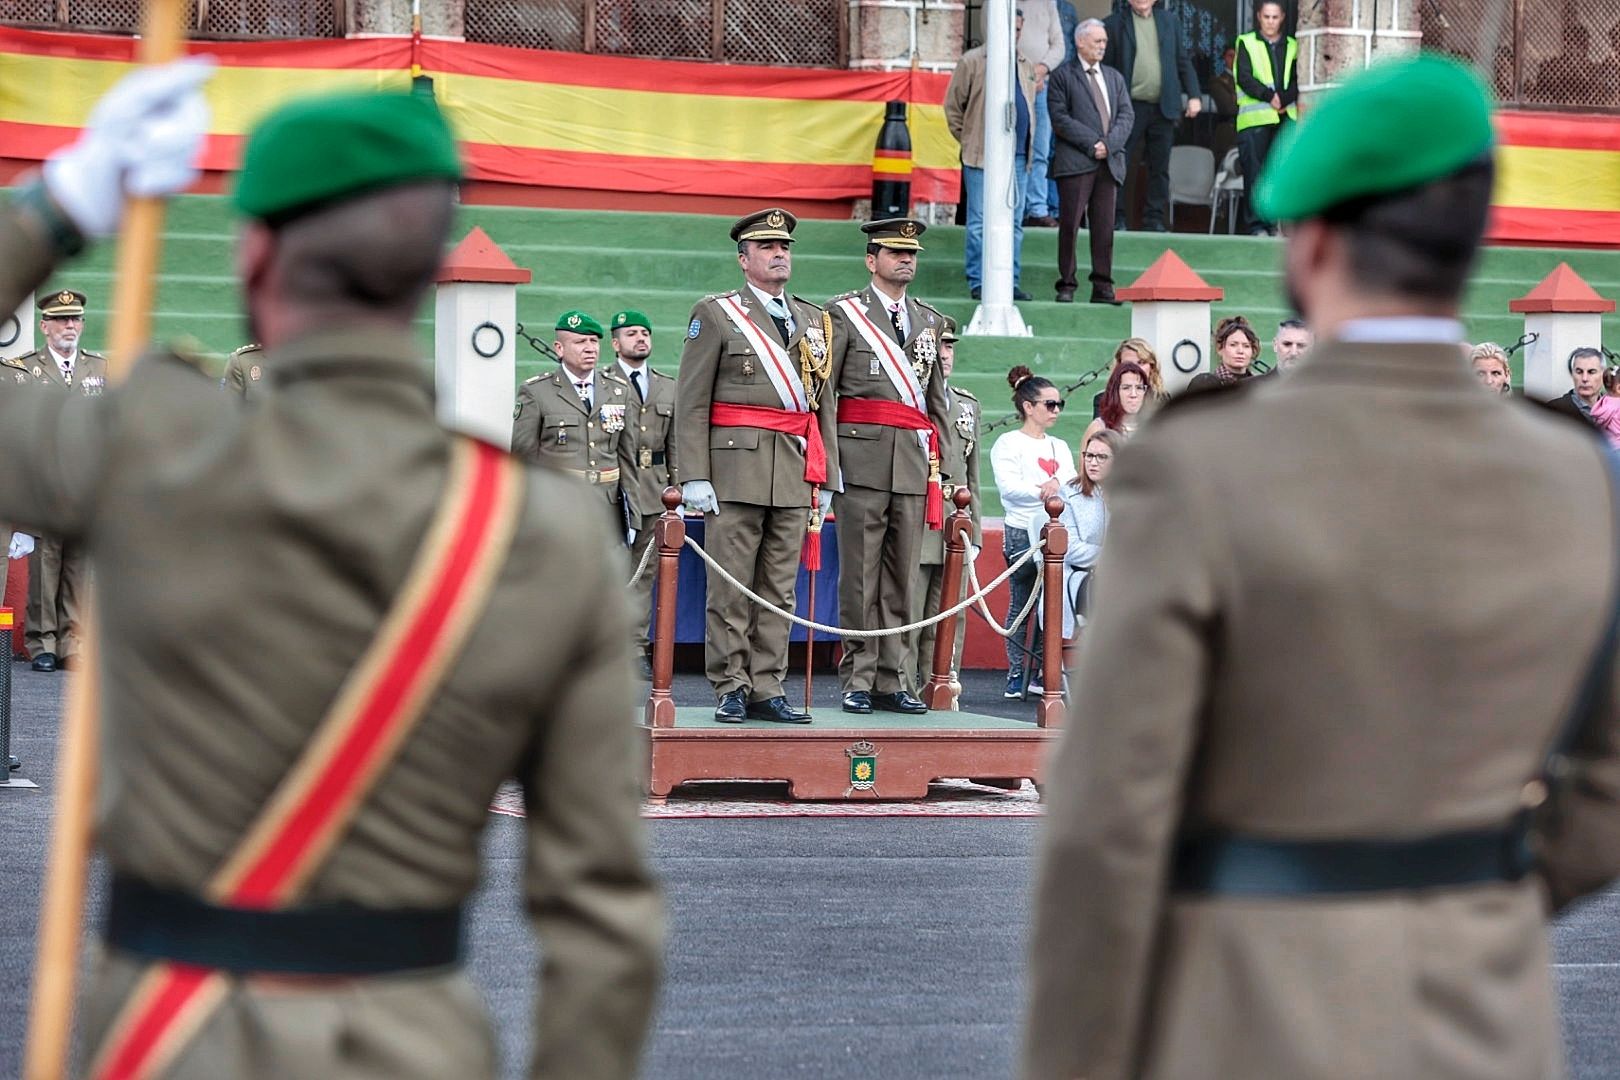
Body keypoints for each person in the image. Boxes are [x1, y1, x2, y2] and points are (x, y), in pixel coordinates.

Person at [2, 69, 662, 1078]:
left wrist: (63, 205)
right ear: (425, 270)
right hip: (411, 1047)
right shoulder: (545, 532)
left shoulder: (150, 447)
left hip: (173, 1040)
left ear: (256, 253)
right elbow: (604, 920)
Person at [1025, 54, 1620, 1080]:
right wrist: (1477, 887)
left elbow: (1107, 823)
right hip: (1490, 1020)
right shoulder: (1578, 477)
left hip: (1250, 1014)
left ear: (1314, 239)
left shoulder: (1203, 463)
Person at [674, 208, 836, 724]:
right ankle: (731, 685)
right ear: (744, 260)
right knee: (731, 584)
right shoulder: (718, 313)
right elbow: (692, 400)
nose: (779, 254)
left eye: (784, 246)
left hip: (792, 471)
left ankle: (769, 685)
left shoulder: (814, 320)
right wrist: (694, 474)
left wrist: (827, 474)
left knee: (778, 588)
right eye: (767, 247)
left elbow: (821, 404)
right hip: (734, 472)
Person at [826, 218, 950, 715]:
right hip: (860, 461)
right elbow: (826, 395)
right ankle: (857, 675)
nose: (906, 260)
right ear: (870, 259)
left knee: (902, 578)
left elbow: (935, 401)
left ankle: (892, 677)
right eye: (895, 252)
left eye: (912, 253)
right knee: (859, 576)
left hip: (913, 467)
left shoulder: (928, 320)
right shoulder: (843, 314)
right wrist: (827, 465)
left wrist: (951, 473)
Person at [14, 287, 105, 671]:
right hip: (44, 483)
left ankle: (74, 642)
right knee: (45, 565)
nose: (71, 326)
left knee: (79, 567)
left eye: (76, 319)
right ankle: (42, 643)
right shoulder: (24, 370)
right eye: (62, 320)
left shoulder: (99, 368)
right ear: (45, 326)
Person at [990, 366, 1077, 700]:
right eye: (1049, 404)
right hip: (1020, 529)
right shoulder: (1008, 442)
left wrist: (1055, 488)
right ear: (1028, 406)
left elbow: (1069, 479)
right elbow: (1008, 487)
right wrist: (1044, 490)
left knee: (1049, 603)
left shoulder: (1059, 445)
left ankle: (1040, 668)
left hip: (1051, 529)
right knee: (1022, 601)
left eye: (1058, 404)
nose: (1055, 410)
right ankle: (1016, 671)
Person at [944, 9, 1037, 302]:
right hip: (980, 156)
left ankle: (1011, 280)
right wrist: (970, 139)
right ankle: (978, 281)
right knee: (979, 221)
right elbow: (953, 108)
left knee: (1016, 223)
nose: (1015, 34)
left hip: (1018, 157)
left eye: (1019, 29)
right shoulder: (972, 61)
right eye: (1011, 28)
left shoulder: (1024, 63)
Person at [909, 317, 981, 689]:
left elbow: (973, 476)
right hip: (918, 518)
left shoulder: (967, 404)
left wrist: (978, 534)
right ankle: (905, 687)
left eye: (950, 347)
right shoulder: (912, 401)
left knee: (951, 612)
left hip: (956, 519)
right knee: (913, 609)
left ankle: (943, 686)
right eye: (939, 347)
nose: (945, 355)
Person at [511, 310, 635, 523]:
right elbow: (523, 460)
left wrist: (632, 516)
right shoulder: (536, 392)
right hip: (557, 505)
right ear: (559, 348)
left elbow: (627, 460)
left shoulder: (619, 391)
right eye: (580, 342)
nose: (590, 348)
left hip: (607, 505)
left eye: (594, 341)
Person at [610, 308, 678, 677]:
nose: (640, 339)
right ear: (615, 342)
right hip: (615, 488)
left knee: (644, 571)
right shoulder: (602, 383)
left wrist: (678, 488)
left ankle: (635, 648)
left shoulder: (667, 385)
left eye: (645, 333)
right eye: (632, 333)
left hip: (654, 488)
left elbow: (676, 442)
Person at [1048, 19, 1133, 304]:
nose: (1102, 46)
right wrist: (1092, 143)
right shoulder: (1063, 76)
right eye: (1097, 41)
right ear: (1080, 42)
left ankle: (1102, 286)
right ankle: (1067, 284)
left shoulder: (1114, 77)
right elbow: (1060, 118)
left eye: (1104, 42)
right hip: (1075, 162)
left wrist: (1107, 145)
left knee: (1104, 227)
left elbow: (1126, 116)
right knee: (1070, 225)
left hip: (1108, 163)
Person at [1103, 0, 1202, 233]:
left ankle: (1154, 219)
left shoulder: (1170, 21)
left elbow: (1182, 61)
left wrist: (1194, 95)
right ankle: (1117, 218)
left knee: (1160, 167)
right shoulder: (1114, 24)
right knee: (1121, 165)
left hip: (1163, 106)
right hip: (1128, 108)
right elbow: (1106, 69)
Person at [1037, 427, 1119, 642]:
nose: (1092, 462)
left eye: (1101, 457)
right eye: (1089, 455)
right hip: (1078, 576)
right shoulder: (1069, 493)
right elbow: (1070, 547)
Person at [1234, 0, 1298, 235]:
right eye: (1266, 17)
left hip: (1284, 119)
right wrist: (1270, 96)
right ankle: (1256, 226)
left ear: (1282, 18)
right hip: (1255, 121)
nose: (1270, 22)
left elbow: (1298, 78)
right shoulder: (1246, 42)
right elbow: (1245, 77)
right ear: (1259, 17)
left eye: (1275, 17)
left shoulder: (1293, 45)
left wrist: (1284, 97)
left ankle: (1273, 225)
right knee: (1255, 175)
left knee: (1278, 174)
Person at [1019, 0, 1066, 230]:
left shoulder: (1047, 3)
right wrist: (1025, 75)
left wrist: (1040, 71)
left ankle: (1037, 209)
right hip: (1011, 85)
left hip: (1041, 86)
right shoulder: (996, 4)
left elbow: (1059, 46)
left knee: (1040, 151)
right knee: (1012, 151)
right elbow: (994, 40)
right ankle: (1014, 208)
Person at [1187, 314, 1261, 390]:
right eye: (1233, 345)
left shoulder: (1259, 385)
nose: (1240, 351)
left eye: (1246, 346)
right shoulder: (1206, 384)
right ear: (1220, 348)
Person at [1092, 336, 1165, 415]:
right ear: (1118, 367)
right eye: (1128, 364)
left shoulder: (1161, 398)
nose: (1134, 368)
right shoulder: (1103, 398)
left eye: (1141, 362)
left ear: (1152, 366)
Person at [1082, 360, 1149, 443]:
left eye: (1139, 388)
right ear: (1115, 392)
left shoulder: (1155, 428)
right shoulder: (1099, 428)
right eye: (1126, 388)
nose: (1133, 394)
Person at [1546, 345, 1604, 424]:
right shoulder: (1553, 410)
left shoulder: (1615, 409)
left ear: (1603, 375)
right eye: (1579, 372)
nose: (1584, 378)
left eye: (1591, 372)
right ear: (1572, 374)